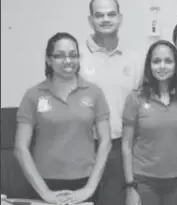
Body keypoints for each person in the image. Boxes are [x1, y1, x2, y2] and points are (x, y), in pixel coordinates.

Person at [14, 32, 111, 204]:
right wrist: (45, 193)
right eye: (60, 56)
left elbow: (105, 142)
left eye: (73, 55)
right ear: (48, 60)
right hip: (43, 183)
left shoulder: (94, 92)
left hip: (86, 182)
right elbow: (20, 148)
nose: (68, 61)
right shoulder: (33, 95)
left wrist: (89, 188)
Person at [79, 0, 144, 205]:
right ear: (90, 20)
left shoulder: (136, 59)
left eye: (111, 14)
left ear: (120, 18)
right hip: (84, 147)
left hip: (119, 148)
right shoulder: (76, 57)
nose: (105, 19)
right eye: (99, 15)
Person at [122, 40, 177, 205]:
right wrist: (130, 186)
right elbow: (126, 144)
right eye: (156, 61)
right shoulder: (135, 98)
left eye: (168, 61)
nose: (162, 66)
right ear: (149, 65)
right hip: (144, 181)